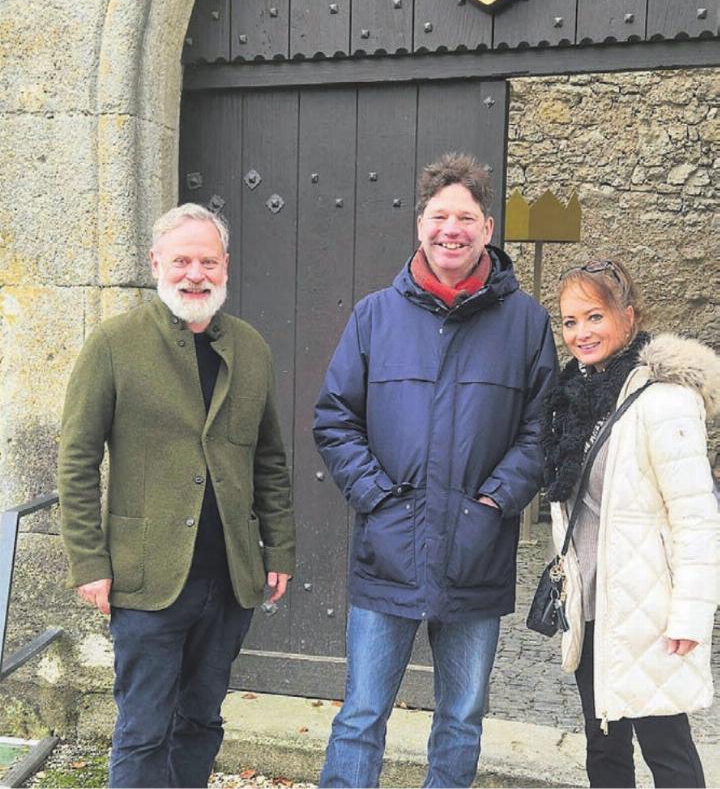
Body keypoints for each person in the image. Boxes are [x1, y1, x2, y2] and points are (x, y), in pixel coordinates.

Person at [314, 153, 558, 788]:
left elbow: (541, 430)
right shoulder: (374, 316)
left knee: (462, 715)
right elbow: (335, 418)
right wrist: (378, 499)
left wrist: (494, 504)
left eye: (467, 217)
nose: (452, 229)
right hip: (388, 552)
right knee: (362, 713)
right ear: (420, 223)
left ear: (487, 228)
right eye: (440, 215)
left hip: (476, 553)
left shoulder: (526, 323)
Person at [58, 203, 295, 788]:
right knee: (142, 729)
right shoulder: (114, 344)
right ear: (156, 262)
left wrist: (279, 551)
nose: (196, 273)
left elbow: (269, 459)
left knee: (200, 722)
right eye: (183, 259)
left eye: (208, 261)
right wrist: (90, 562)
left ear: (226, 267)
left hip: (229, 580)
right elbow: (77, 459)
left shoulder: (251, 348)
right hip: (146, 581)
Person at [542, 257, 720, 789]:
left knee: (666, 749)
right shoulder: (574, 397)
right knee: (604, 746)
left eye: (593, 317)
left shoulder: (662, 400)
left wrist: (690, 616)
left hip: (648, 611)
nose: (580, 333)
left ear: (629, 316)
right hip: (592, 603)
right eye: (570, 321)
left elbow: (696, 517)